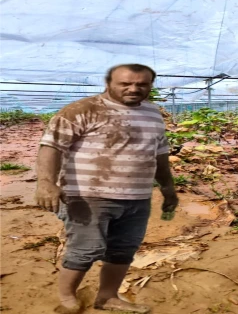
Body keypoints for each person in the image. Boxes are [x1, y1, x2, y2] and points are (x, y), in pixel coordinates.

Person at [35, 64, 178, 314]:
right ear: (109, 83)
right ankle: (67, 296)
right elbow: (52, 146)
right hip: (88, 196)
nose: (134, 89)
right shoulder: (82, 110)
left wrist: (168, 188)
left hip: (138, 197)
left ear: (150, 86)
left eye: (142, 84)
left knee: (123, 250)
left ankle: (107, 297)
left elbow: (160, 155)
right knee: (86, 249)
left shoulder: (153, 114)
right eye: (125, 83)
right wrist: (46, 182)